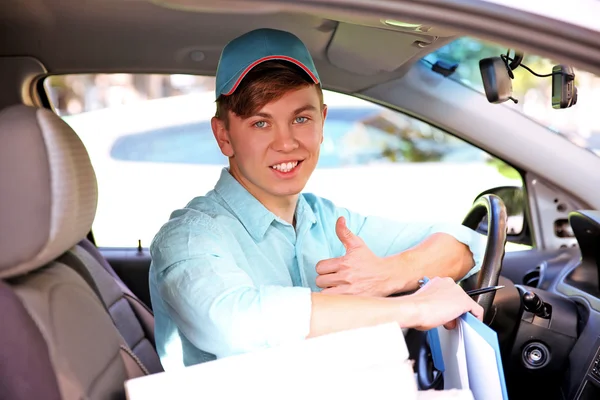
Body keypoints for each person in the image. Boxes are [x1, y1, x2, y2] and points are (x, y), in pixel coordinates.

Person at [149, 28, 486, 370]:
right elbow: (233, 321)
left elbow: (465, 243)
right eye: (260, 123)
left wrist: (388, 275)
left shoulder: (326, 222)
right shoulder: (188, 237)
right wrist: (414, 309)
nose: (286, 143)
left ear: (322, 122)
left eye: (300, 118)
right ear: (224, 136)